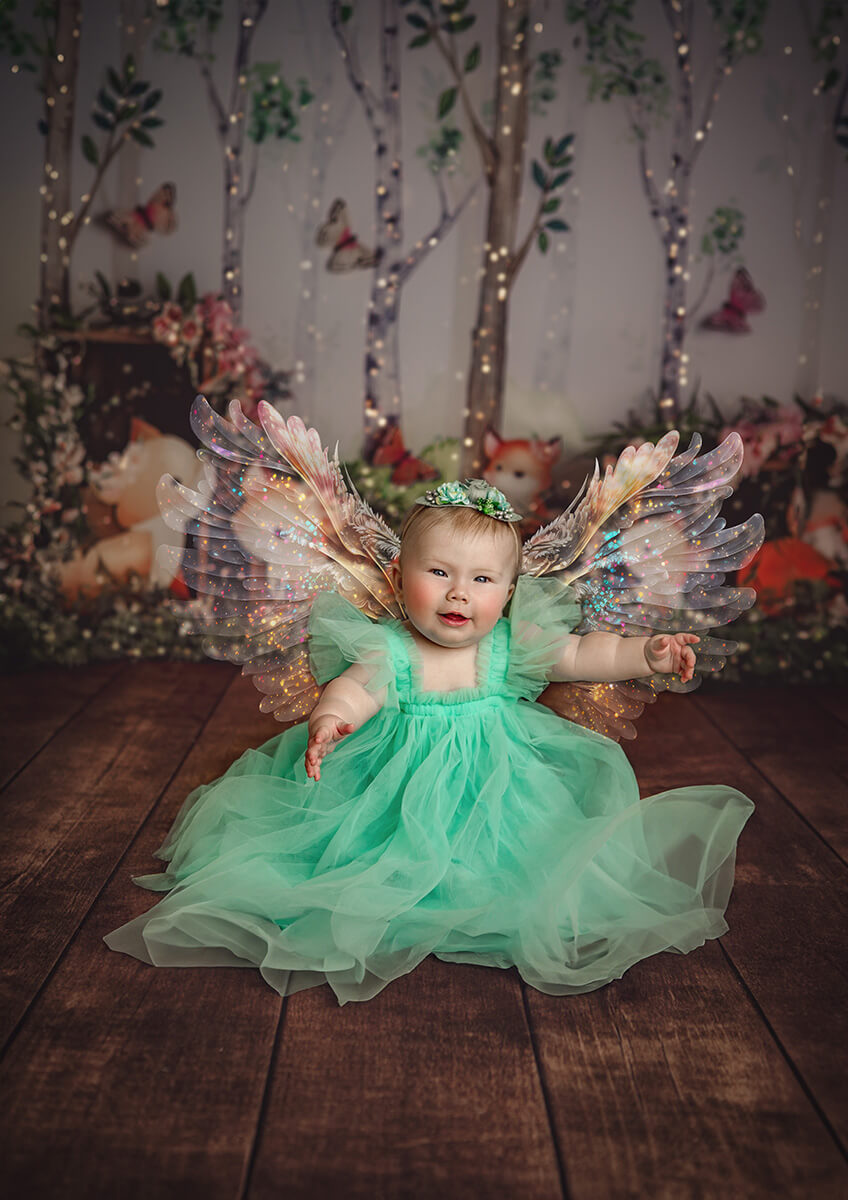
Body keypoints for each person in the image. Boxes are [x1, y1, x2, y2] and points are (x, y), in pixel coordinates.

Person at [104, 461, 756, 1005]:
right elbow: (358, 686)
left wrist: (648, 654)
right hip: (396, 789)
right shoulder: (390, 647)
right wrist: (334, 718)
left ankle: (483, 885)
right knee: (364, 861)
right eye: (438, 572)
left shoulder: (511, 642)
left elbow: (587, 655)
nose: (458, 594)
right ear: (398, 578)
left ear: (508, 589)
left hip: (498, 787)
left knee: (530, 860)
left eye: (481, 579)